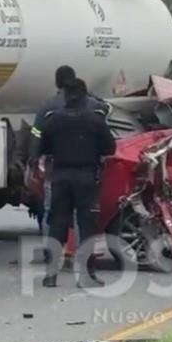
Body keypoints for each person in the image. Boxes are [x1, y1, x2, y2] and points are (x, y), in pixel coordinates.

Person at [35, 78, 116, 288]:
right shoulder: (96, 120)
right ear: (84, 95)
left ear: (65, 95)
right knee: (87, 226)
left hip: (60, 177)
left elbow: (42, 147)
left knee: (57, 224)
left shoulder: (53, 119)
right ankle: (87, 275)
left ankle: (51, 274)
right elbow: (110, 148)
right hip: (86, 178)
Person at [27, 66, 110, 244]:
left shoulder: (49, 108)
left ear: (57, 82)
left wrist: (34, 159)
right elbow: (108, 144)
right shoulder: (96, 109)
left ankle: (52, 258)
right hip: (88, 174)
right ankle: (85, 261)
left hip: (57, 172)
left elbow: (37, 136)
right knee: (85, 220)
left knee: (54, 215)